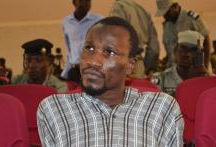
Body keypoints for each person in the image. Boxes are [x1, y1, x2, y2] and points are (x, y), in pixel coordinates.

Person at [37, 17, 184, 147]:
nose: (93, 61)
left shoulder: (161, 108)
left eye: (109, 52)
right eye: (89, 48)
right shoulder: (54, 109)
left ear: (130, 65)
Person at [109, 0, 160, 78]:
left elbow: (115, 37)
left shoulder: (119, 7)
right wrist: (146, 67)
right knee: (138, 89)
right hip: (139, 66)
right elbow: (154, 49)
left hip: (122, 63)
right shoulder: (144, 12)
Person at [151, 30, 209, 96]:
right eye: (183, 49)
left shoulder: (209, 80)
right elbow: (155, 103)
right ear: (175, 51)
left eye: (193, 50)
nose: (187, 54)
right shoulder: (160, 78)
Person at [155, 0, 210, 68]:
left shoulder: (191, 18)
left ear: (175, 6)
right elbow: (171, 50)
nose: (165, 16)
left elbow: (206, 43)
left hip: (194, 68)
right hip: (175, 71)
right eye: (163, 14)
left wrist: (204, 67)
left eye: (167, 13)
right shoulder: (167, 25)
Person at [61, 0, 103, 83]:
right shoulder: (66, 22)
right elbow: (69, 50)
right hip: (74, 71)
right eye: (82, 0)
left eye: (88, 1)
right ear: (74, 2)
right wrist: (64, 73)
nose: (86, 3)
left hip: (92, 69)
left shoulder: (99, 20)